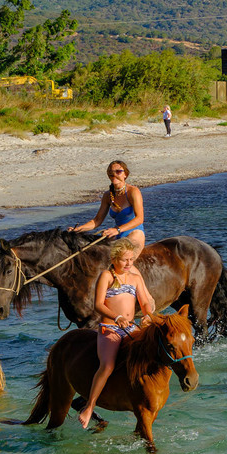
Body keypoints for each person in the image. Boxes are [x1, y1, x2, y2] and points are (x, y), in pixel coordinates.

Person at [77, 241, 157, 430]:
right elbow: (98, 304)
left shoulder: (135, 278)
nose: (129, 264)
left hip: (130, 328)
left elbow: (145, 302)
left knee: (150, 354)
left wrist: (147, 316)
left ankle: (143, 396)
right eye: (125, 260)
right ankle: (89, 406)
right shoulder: (106, 276)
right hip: (110, 328)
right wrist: (117, 316)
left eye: (131, 259)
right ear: (114, 259)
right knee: (108, 365)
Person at [80, 160, 146, 249]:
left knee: (124, 259)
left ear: (125, 174)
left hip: (135, 233)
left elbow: (139, 219)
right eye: (111, 173)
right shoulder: (107, 195)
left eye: (118, 171)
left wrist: (117, 230)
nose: (114, 175)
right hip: (118, 234)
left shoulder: (133, 191)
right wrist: (78, 230)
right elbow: (97, 220)